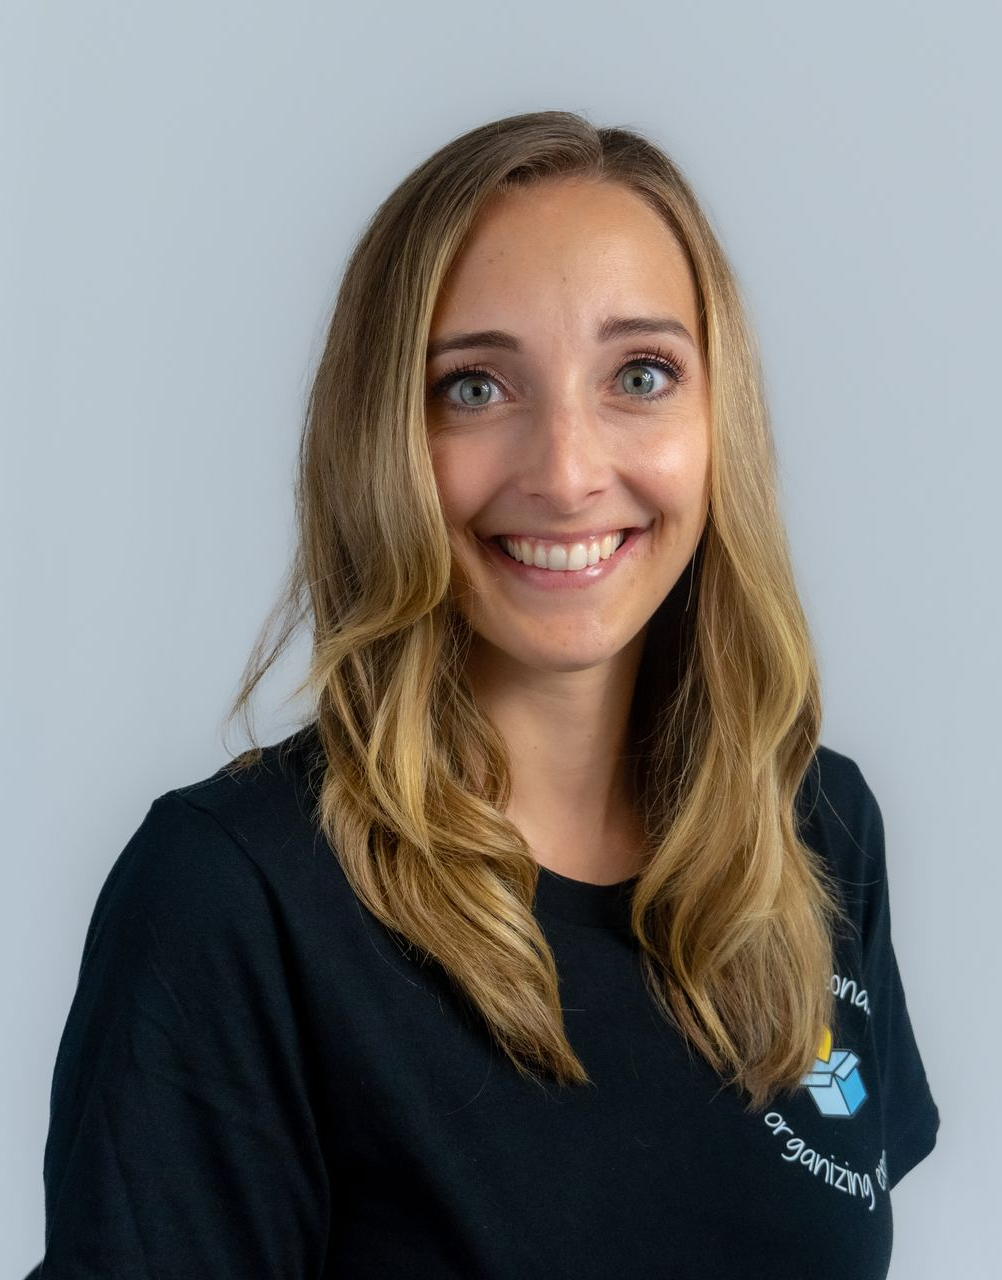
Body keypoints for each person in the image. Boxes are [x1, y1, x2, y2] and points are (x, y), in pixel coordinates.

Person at [31, 110, 939, 1279]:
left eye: (641, 373)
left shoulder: (815, 826)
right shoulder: (230, 899)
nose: (565, 470)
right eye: (474, 387)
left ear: (722, 422)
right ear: (383, 439)